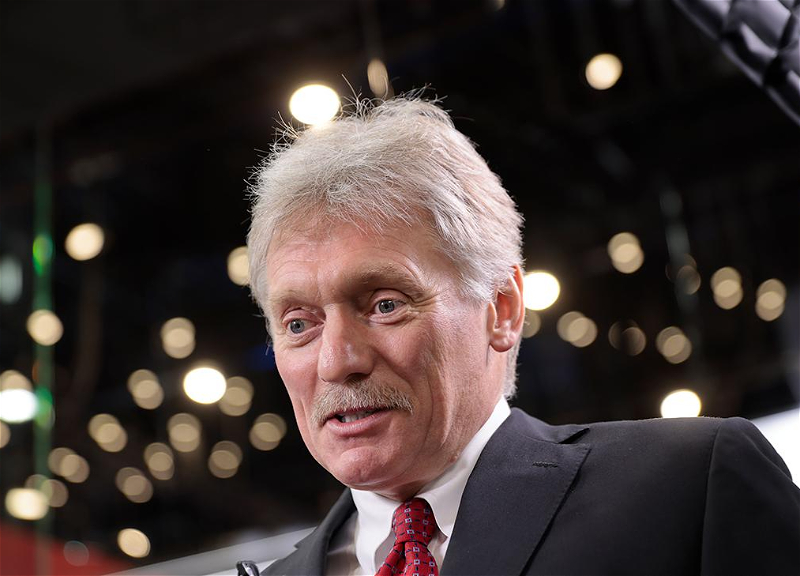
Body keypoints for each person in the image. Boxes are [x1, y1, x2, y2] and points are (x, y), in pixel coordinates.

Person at [243, 96, 800, 576]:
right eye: (299, 324)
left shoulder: (688, 488)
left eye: (385, 305)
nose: (337, 361)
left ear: (502, 308)